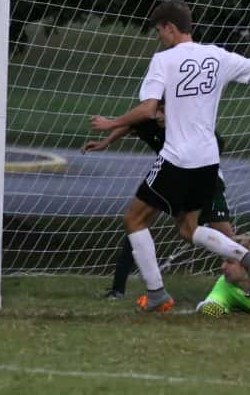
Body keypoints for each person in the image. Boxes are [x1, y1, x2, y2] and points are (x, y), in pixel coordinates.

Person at [90, 0, 250, 311]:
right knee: (188, 229)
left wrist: (111, 124)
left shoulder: (164, 60)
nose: (159, 37)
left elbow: (147, 108)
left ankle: (157, 294)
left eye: (159, 31)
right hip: (208, 162)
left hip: (177, 158)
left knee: (133, 219)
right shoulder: (217, 56)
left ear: (170, 28)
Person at [82, 102, 234, 299]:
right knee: (136, 224)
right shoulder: (146, 118)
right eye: (158, 110)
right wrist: (105, 143)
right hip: (170, 177)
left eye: (165, 110)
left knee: (221, 233)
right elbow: (129, 124)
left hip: (204, 178)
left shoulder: (189, 121)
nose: (160, 115)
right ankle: (119, 288)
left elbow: (219, 143)